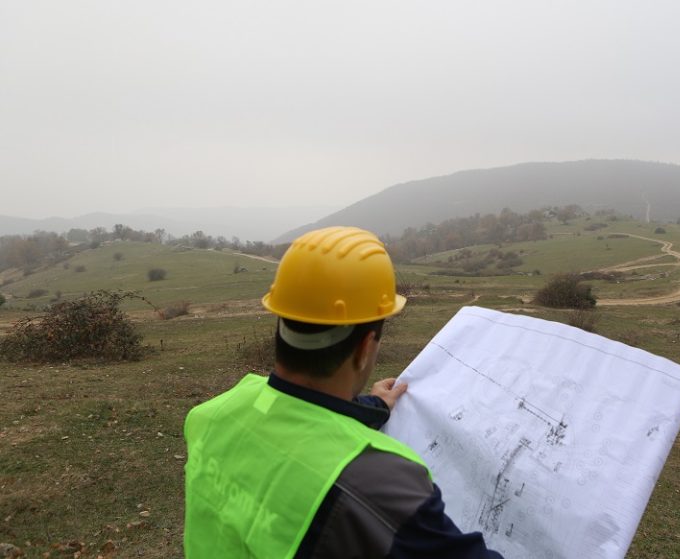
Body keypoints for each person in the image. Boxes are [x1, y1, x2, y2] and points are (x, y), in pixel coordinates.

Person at [183, 226, 503, 558]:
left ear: (282, 319)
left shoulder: (210, 416)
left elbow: (299, 415)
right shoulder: (382, 486)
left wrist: (373, 406)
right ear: (366, 347)